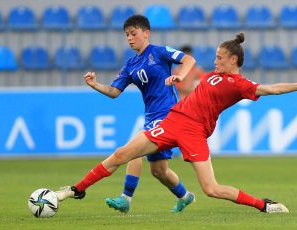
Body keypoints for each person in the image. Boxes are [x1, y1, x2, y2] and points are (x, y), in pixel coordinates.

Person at [57, 32, 297, 213]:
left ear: (233, 60)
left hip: (194, 133)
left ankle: (264, 205)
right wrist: (177, 79)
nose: (215, 61)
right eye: (215, 56)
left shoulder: (240, 84)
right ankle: (76, 189)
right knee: (122, 154)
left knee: (211, 189)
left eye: (219, 57)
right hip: (173, 121)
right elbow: (189, 78)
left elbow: (271, 89)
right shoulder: (211, 75)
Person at [58, 15, 197, 213]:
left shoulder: (159, 52)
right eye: (127, 35)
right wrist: (95, 84)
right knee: (159, 171)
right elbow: (114, 92)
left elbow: (189, 59)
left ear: (146, 33)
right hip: (151, 118)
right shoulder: (131, 65)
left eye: (134, 33)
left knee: (127, 152)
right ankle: (185, 196)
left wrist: (179, 76)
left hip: (168, 117)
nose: (130, 38)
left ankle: (111, 195)